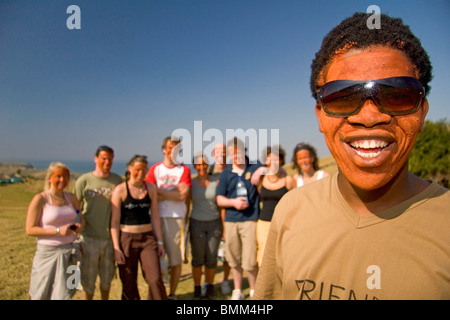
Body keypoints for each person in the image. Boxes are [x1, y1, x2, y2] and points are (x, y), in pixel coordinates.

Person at [254, 12, 450, 300]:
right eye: (343, 97)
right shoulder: (291, 210)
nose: (369, 116)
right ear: (320, 116)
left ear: (421, 113)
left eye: (397, 95)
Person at [110, 155, 167, 300]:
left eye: (144, 170)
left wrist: (159, 241)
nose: (140, 173)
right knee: (129, 282)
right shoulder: (120, 190)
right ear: (130, 169)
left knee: (155, 279)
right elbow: (115, 222)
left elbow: (155, 216)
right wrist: (116, 248)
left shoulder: (151, 189)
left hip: (147, 238)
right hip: (127, 239)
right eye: (137, 170)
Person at [26, 162, 85, 299]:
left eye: (65, 177)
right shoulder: (40, 199)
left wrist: (80, 225)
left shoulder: (72, 198)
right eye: (58, 176)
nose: (62, 180)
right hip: (48, 254)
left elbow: (80, 217)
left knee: (69, 290)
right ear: (50, 178)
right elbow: (30, 229)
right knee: (41, 292)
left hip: (71, 252)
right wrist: (57, 231)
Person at [145, 136, 192, 300]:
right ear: (164, 149)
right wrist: (171, 193)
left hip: (176, 219)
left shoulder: (183, 170)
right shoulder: (155, 170)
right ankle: (158, 294)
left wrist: (160, 193)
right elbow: (149, 192)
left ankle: (172, 294)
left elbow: (182, 195)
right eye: (170, 147)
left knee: (175, 260)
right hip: (156, 218)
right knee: (156, 260)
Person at [74, 145, 123, 300]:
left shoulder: (117, 181)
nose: (107, 162)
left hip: (109, 240)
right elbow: (75, 208)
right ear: (96, 159)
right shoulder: (84, 181)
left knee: (106, 281)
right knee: (87, 282)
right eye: (103, 158)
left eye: (110, 159)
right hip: (88, 238)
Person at [216, 137, 261, 300]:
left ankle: (255, 289)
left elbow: (274, 168)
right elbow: (219, 199)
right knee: (233, 258)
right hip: (231, 220)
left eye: (238, 153)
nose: (235, 157)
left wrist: (261, 171)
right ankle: (237, 290)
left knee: (250, 259)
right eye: (232, 154)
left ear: (244, 151)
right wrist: (233, 202)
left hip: (250, 220)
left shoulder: (255, 166)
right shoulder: (226, 174)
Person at [189, 152, 223, 300]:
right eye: (198, 164)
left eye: (204, 163)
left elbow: (222, 206)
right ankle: (197, 288)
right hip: (196, 223)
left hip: (214, 223)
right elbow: (186, 204)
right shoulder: (191, 183)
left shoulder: (217, 181)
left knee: (211, 258)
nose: (201, 167)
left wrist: (224, 226)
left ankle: (209, 287)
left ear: (208, 165)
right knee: (197, 259)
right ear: (195, 166)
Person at [255, 146, 295, 266]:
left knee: (283, 255)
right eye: (270, 160)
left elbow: (296, 203)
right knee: (262, 255)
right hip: (264, 223)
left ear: (282, 160)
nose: (273, 163)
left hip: (283, 224)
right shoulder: (261, 179)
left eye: (276, 159)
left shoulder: (289, 180)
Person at [208, 143, 232, 295]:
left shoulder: (232, 170)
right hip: (210, 216)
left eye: (223, 152)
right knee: (210, 252)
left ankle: (225, 281)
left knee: (228, 253)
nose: (221, 155)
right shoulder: (208, 171)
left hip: (228, 216)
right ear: (213, 154)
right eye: (218, 152)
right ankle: (208, 283)